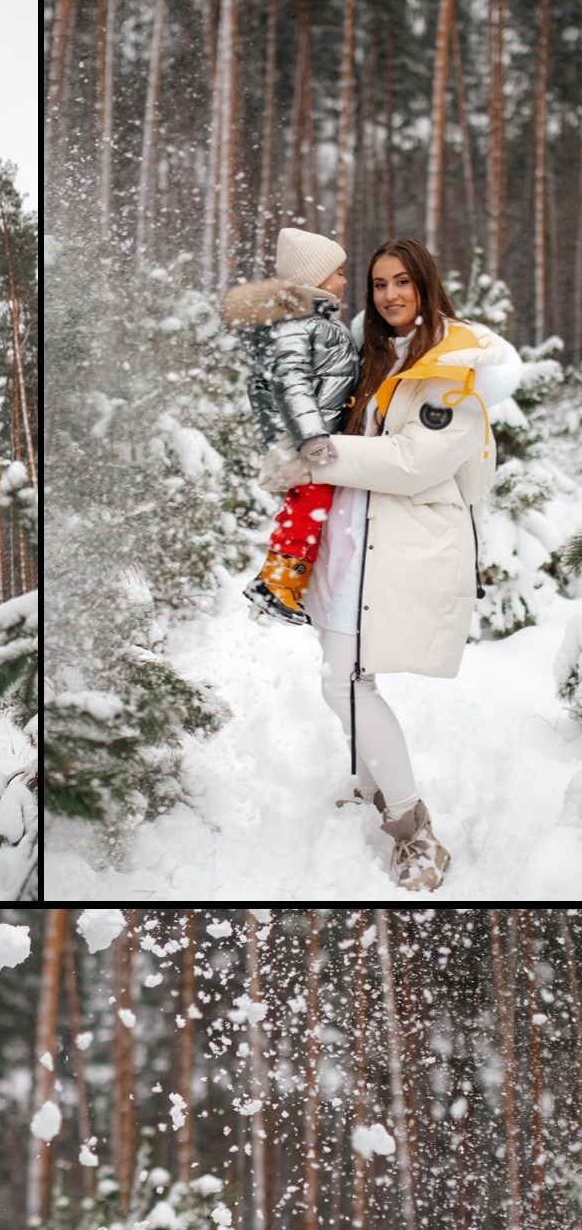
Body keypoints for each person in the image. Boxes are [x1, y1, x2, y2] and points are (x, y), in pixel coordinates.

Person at [272, 236, 521, 892]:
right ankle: (369, 783)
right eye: (378, 284)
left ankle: (414, 828)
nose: (389, 295)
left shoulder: (455, 365)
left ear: (426, 284)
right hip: (353, 541)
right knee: (344, 675)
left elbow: (416, 463)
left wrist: (320, 453)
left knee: (345, 683)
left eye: (402, 282)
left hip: (402, 546)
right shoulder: (379, 354)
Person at [223, 227, 360, 625]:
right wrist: (310, 435)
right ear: (316, 279)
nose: (344, 279)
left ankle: (282, 580)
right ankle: (278, 583)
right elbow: (290, 381)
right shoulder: (300, 325)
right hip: (309, 440)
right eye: (337, 272)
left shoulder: (314, 322)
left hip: (314, 437)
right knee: (308, 508)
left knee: (305, 508)